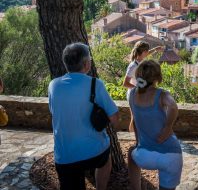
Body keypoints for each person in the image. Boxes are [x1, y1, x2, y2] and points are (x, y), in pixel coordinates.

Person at [48, 43, 119, 190]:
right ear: (86, 64)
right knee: (106, 160)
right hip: (94, 152)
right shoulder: (95, 84)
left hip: (65, 156)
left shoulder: (53, 85)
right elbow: (115, 117)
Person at [127, 60, 183, 190]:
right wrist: (168, 127)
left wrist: (138, 142)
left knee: (131, 153)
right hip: (171, 155)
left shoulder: (132, 95)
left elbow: (135, 121)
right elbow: (173, 106)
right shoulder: (162, 94)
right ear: (157, 77)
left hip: (145, 156)